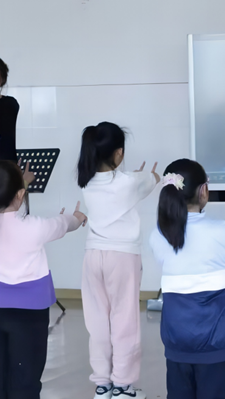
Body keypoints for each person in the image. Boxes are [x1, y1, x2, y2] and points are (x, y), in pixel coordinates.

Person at [0, 160, 87, 398]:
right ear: (21, 195)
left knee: (0, 373)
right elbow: (64, 224)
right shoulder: (35, 227)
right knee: (27, 378)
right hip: (30, 315)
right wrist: (77, 216)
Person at [149, 159, 225, 399]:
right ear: (203, 190)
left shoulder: (158, 235)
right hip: (217, 342)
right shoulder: (224, 231)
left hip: (177, 339)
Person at [77, 122, 160, 399]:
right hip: (123, 257)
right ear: (119, 153)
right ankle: (123, 385)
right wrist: (145, 175)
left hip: (92, 256)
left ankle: (102, 384)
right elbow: (152, 179)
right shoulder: (129, 182)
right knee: (124, 319)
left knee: (97, 321)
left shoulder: (87, 183)